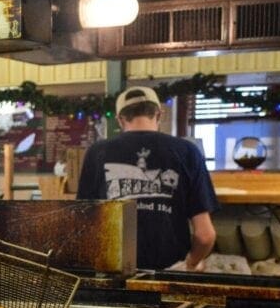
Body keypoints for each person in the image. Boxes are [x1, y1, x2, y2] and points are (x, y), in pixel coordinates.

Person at [76, 86, 217, 271]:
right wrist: (191, 263)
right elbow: (205, 235)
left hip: (114, 270)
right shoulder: (187, 151)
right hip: (170, 272)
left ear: (120, 119)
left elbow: (83, 225)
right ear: (159, 114)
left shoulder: (97, 152)